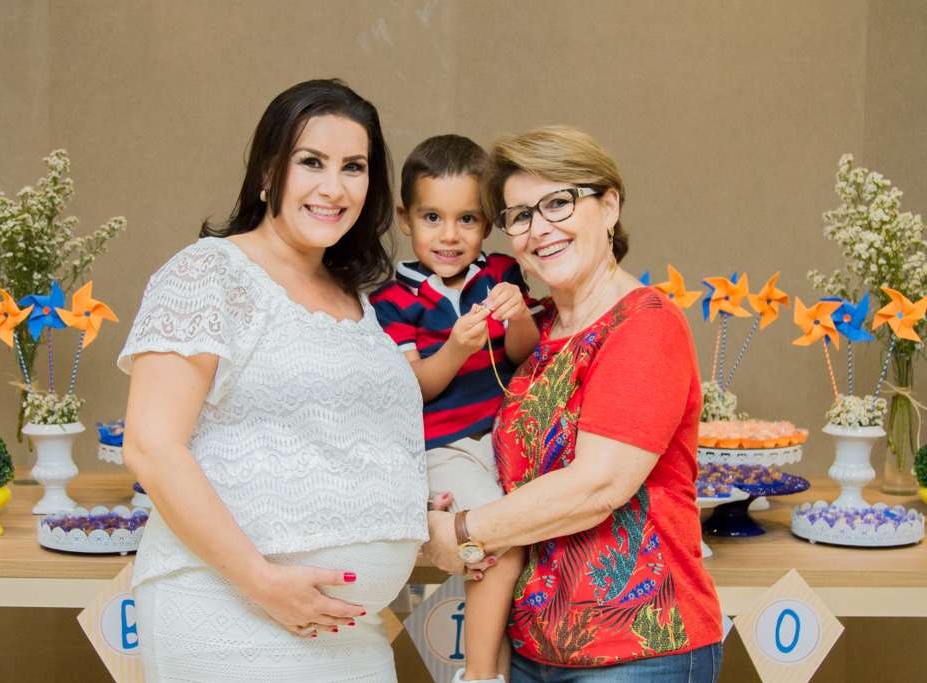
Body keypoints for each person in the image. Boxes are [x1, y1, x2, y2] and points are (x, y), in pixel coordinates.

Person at [118, 79, 428, 682]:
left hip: (352, 631)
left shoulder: (355, 299)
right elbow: (151, 447)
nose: (334, 187)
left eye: (354, 167)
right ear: (268, 170)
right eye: (311, 161)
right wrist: (262, 583)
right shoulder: (209, 272)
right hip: (232, 611)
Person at [421, 125, 723, 683]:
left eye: (558, 202)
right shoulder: (532, 334)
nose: (539, 228)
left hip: (638, 651)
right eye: (519, 215)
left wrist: (463, 532)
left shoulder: (644, 324)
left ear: (609, 207)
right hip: (532, 650)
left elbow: (597, 485)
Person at [370, 135, 541, 683]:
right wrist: (455, 349)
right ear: (405, 219)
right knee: (500, 547)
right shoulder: (392, 301)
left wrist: (519, 316)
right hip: (445, 449)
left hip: (506, 442)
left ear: (487, 222)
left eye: (467, 219)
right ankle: (479, 675)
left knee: (519, 559)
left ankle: (497, 671)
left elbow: (524, 355)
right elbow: (413, 390)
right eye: (432, 218)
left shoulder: (500, 273)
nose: (450, 235)